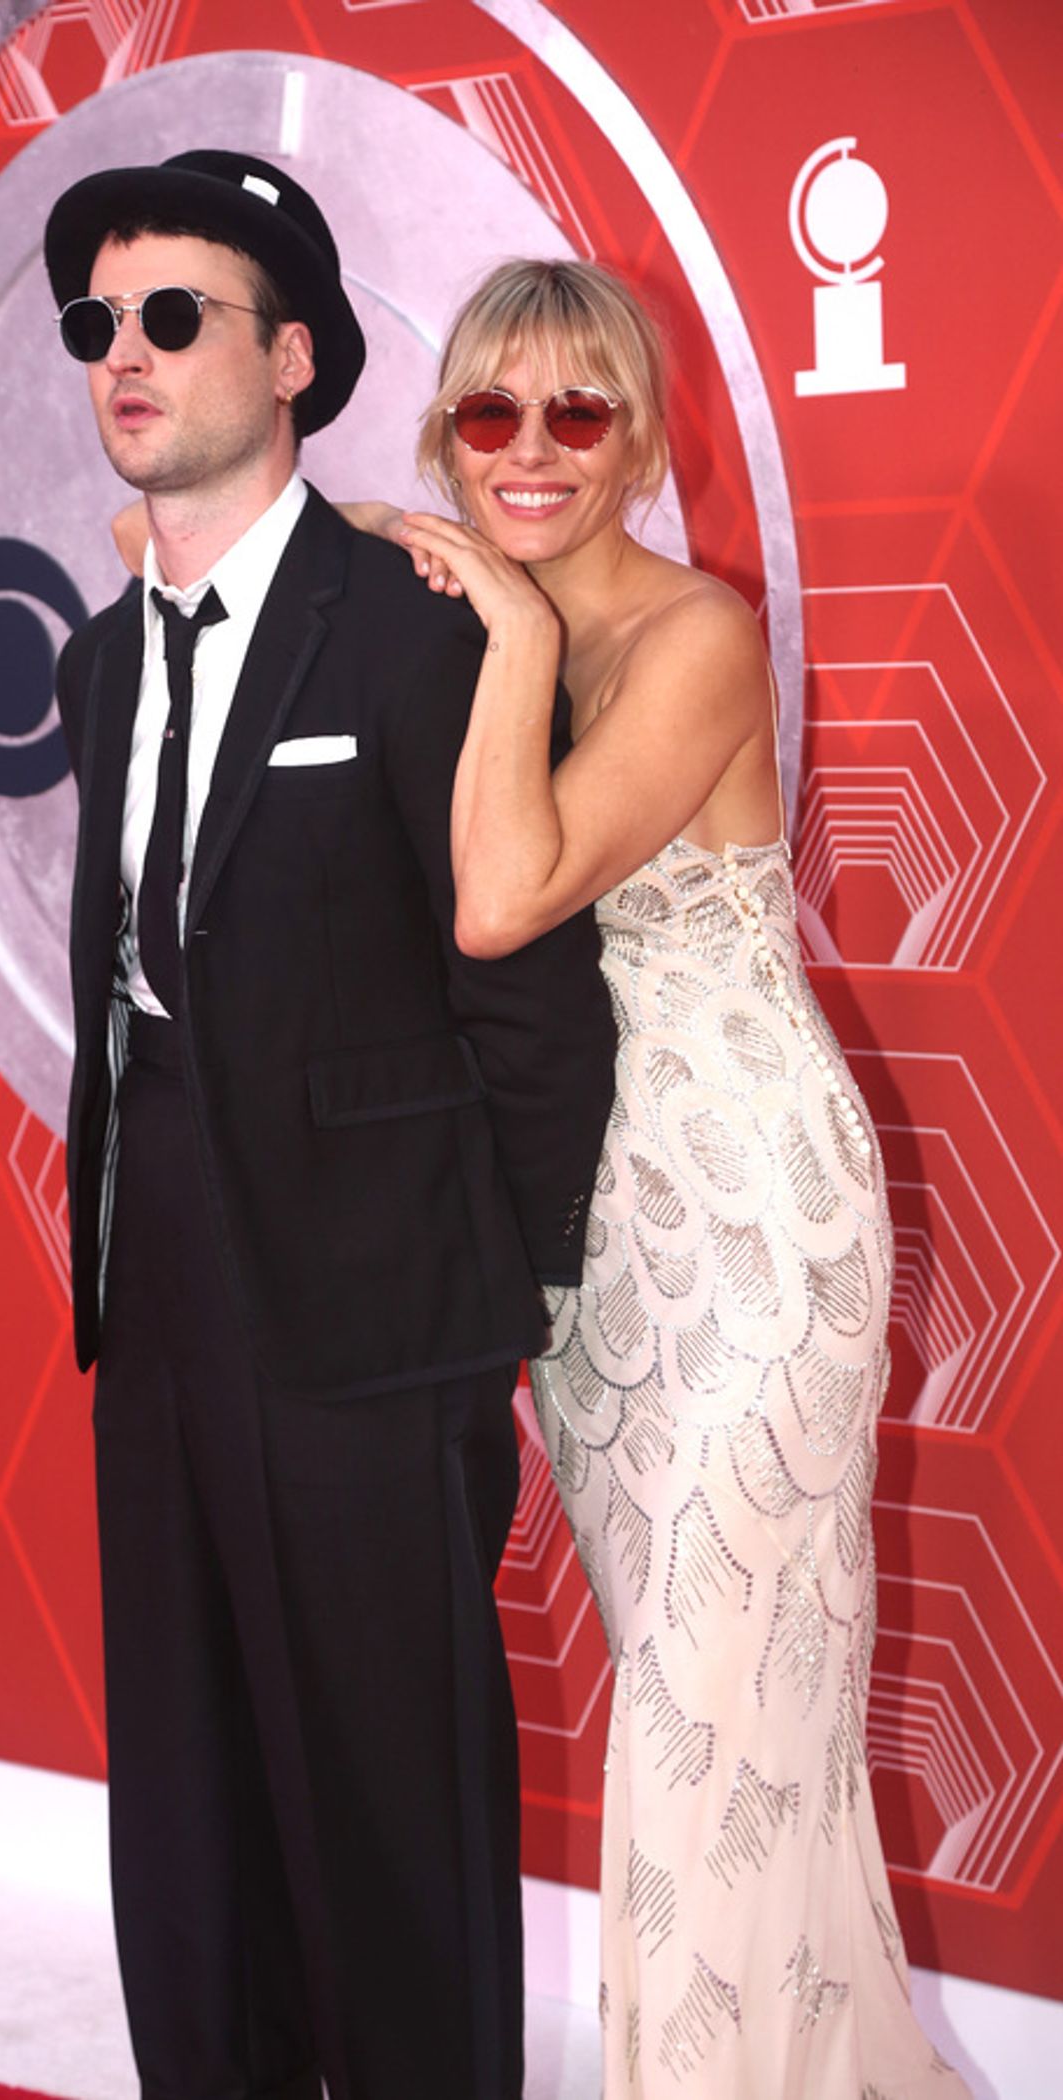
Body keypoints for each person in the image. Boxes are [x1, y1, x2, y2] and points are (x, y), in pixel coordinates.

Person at [41, 156, 612, 2100]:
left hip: (381, 1310)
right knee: (188, 1798)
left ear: (289, 356)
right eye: (99, 322)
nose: (126, 351)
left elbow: (522, 978)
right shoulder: (98, 657)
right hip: (163, 1295)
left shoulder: (409, 617)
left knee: (392, 1806)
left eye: (173, 314)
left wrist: (510, 1282)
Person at [382, 260, 972, 2099]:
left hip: (760, 1234)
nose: (535, 452)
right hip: (592, 1251)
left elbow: (505, 896)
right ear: (447, 433)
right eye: (494, 414)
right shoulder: (471, 637)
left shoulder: (696, 631)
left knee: (713, 1717)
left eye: (583, 412)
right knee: (722, 1717)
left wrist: (513, 632)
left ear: (641, 437)